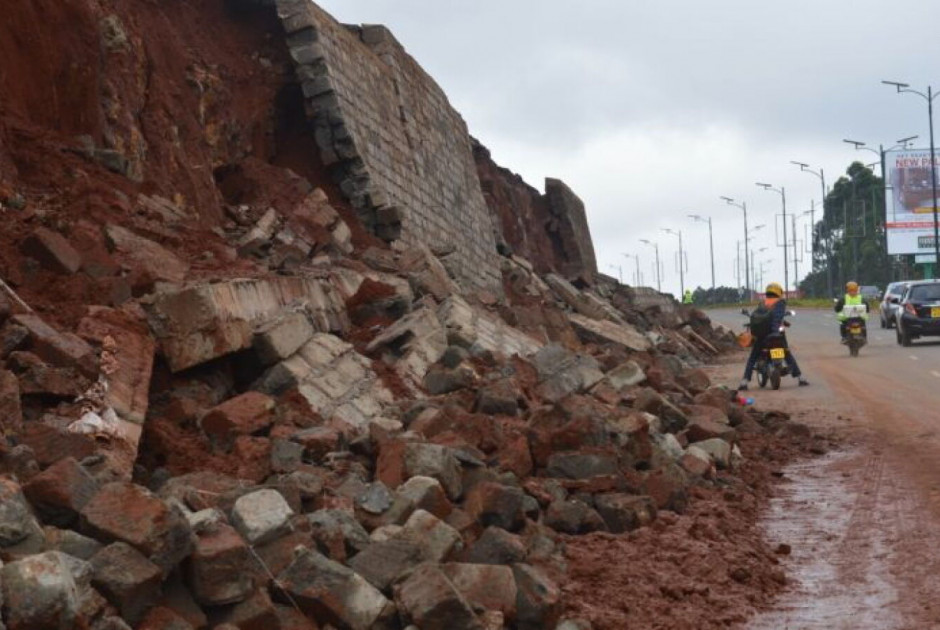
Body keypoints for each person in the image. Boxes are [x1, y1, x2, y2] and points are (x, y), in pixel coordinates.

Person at [738, 282, 809, 390]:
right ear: (778, 292)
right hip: (777, 334)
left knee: (753, 357)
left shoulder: (763, 303)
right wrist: (778, 327)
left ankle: (744, 381)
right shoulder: (780, 303)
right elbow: (777, 318)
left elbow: (759, 317)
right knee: (787, 353)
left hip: (762, 336)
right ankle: (801, 378)